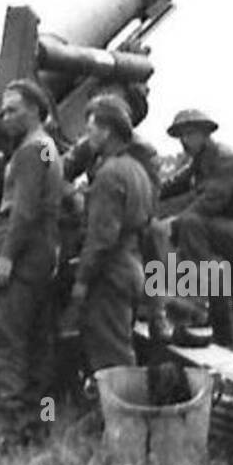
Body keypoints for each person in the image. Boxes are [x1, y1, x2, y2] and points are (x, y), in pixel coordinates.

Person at [0, 79, 64, 441]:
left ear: (35, 109)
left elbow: (25, 211)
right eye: (3, 110)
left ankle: (9, 430)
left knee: (7, 340)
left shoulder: (32, 151)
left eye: (13, 109)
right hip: (43, 254)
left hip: (23, 254)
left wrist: (6, 258)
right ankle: (37, 424)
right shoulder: (48, 148)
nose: (5, 117)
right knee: (37, 343)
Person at [63, 87, 173, 343]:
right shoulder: (88, 145)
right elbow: (58, 164)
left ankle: (158, 313)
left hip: (128, 219)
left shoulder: (144, 153)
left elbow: (149, 200)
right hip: (98, 208)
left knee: (153, 235)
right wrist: (73, 194)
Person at [161, 108, 233, 348]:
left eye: (190, 134)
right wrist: (144, 187)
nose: (184, 140)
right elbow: (171, 185)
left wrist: (172, 225)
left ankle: (196, 304)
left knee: (190, 223)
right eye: (181, 135)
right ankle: (229, 339)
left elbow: (207, 204)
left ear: (205, 134)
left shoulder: (226, 160)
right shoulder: (200, 162)